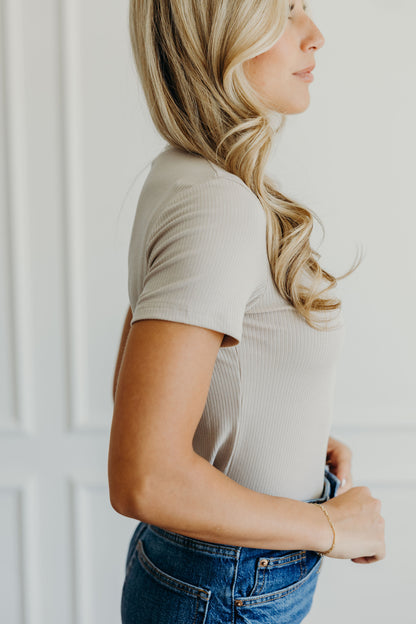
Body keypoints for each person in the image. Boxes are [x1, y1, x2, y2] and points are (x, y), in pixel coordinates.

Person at [108, 1, 386, 622]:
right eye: (286, 12)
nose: (316, 36)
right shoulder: (217, 206)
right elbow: (144, 476)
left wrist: (286, 429)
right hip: (228, 585)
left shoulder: (184, 176)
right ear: (220, 32)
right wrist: (331, 527)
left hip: (217, 577)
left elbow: (146, 395)